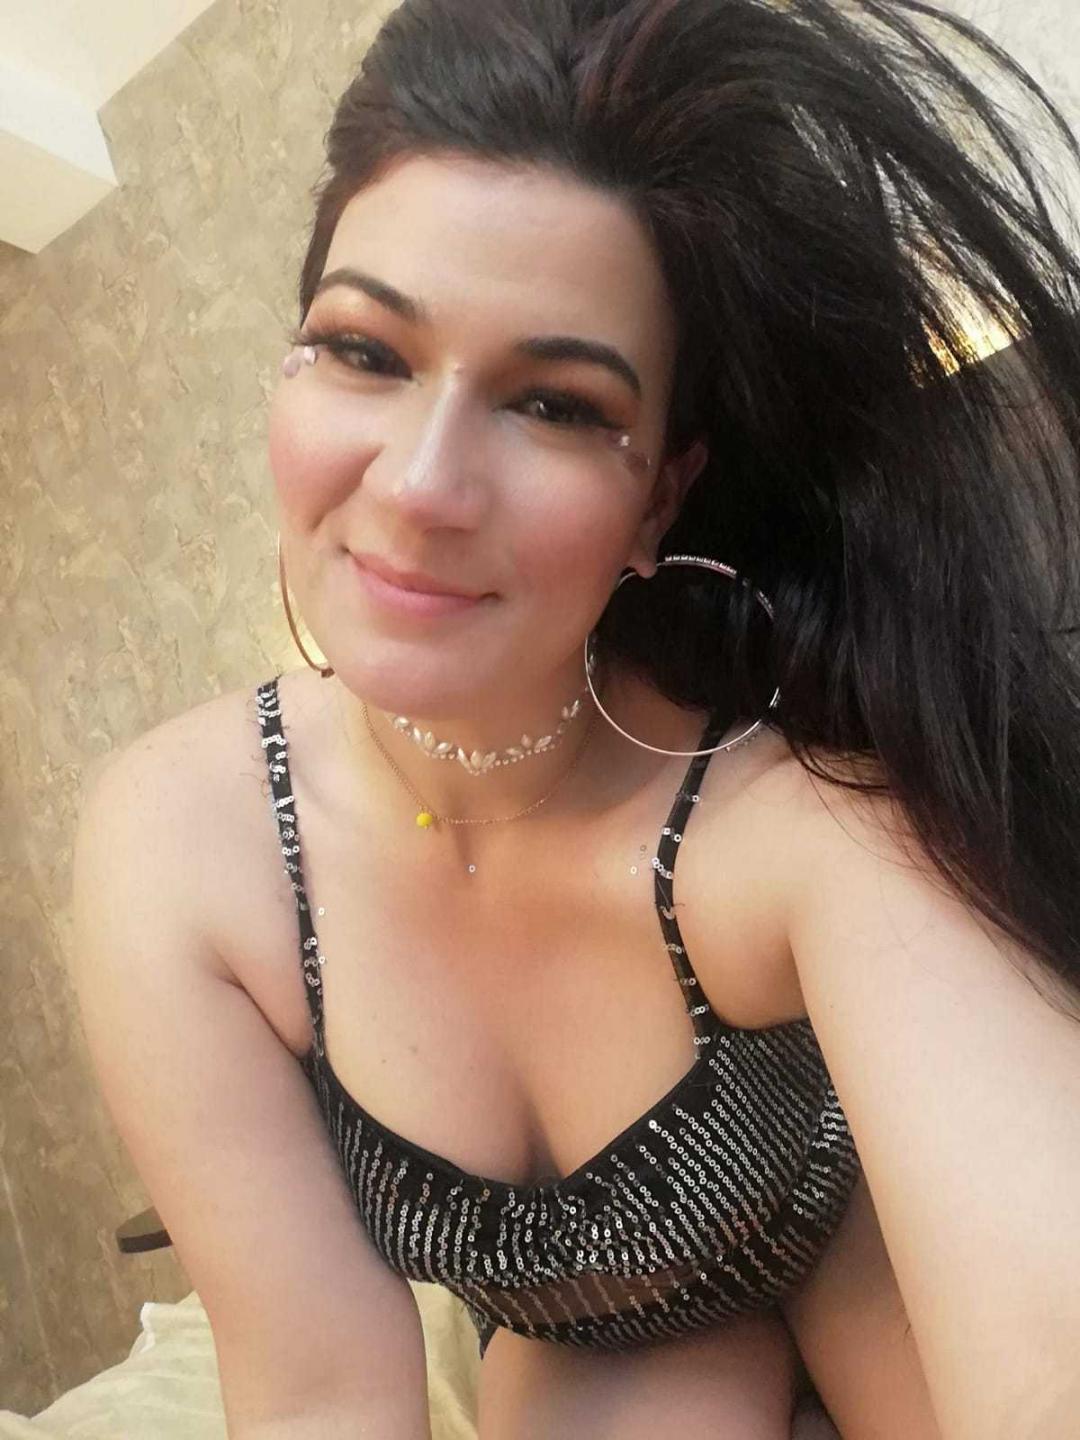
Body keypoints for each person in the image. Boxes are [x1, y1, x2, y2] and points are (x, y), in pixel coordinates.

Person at [71, 1, 1080, 1437]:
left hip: (850, 1249)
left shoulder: (792, 819)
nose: (421, 485)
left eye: (552, 403)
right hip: (586, 1327)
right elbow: (313, 1393)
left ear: (658, 498)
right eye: (364, 350)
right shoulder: (178, 851)